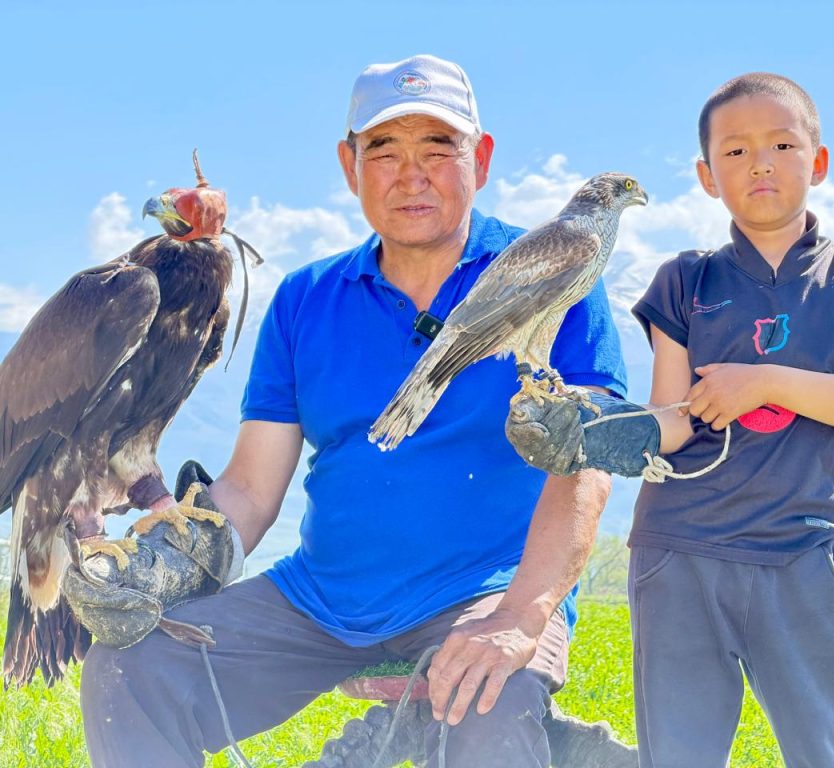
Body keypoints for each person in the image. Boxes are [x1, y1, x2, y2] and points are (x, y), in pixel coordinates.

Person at [77, 53, 626, 768]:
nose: (412, 173)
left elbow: (590, 465)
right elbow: (249, 489)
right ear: (349, 165)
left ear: (481, 159)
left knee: (490, 702)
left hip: (481, 595)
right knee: (134, 669)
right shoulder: (306, 298)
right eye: (384, 151)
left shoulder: (556, 272)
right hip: (321, 602)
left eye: (439, 147)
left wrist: (520, 618)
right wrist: (158, 565)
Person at [506, 72, 834, 767]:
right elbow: (675, 420)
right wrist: (598, 436)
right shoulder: (685, 280)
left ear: (817, 162)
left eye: (781, 144)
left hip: (801, 553)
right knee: (680, 757)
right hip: (679, 555)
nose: (759, 162)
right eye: (734, 152)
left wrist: (765, 381)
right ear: (706, 177)